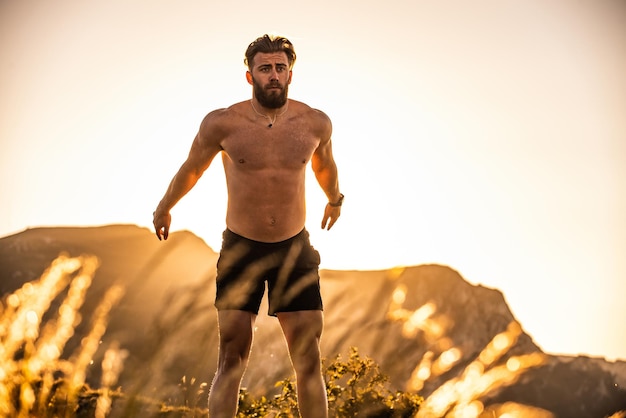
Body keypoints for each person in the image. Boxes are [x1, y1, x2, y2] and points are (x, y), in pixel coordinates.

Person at [152, 34, 343, 418]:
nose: (274, 75)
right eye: (265, 69)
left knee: (308, 360)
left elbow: (324, 163)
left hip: (294, 249)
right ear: (250, 76)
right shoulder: (223, 123)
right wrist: (164, 206)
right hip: (241, 247)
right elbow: (192, 168)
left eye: (280, 68)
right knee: (232, 357)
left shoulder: (315, 123)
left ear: (290, 74)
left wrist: (335, 199)